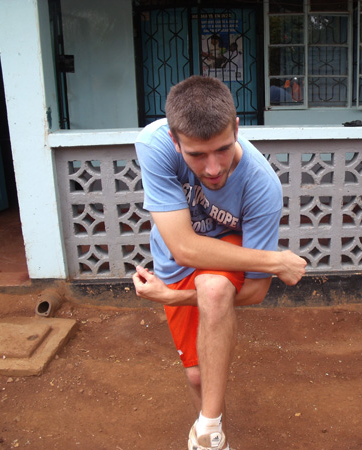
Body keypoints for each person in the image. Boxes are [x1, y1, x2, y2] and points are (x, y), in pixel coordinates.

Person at [132, 75, 307, 450]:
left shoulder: (261, 186)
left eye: (223, 149)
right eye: (197, 155)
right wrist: (276, 261)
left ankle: (210, 435)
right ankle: (211, 427)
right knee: (197, 377)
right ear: (175, 142)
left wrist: (172, 298)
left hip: (226, 250)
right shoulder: (154, 144)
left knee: (213, 289)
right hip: (176, 262)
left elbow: (256, 292)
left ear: (237, 128)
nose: (213, 168)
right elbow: (183, 248)